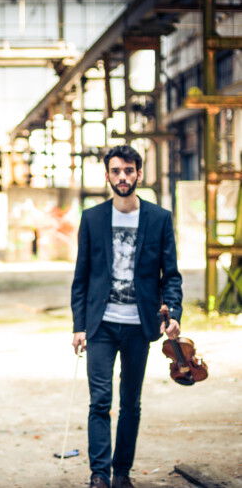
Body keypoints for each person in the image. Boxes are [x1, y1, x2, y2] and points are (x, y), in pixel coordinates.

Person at [71, 145, 182, 488]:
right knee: (100, 401)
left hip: (139, 325)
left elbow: (171, 275)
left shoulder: (159, 218)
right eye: (116, 171)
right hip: (101, 325)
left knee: (131, 403)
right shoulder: (92, 218)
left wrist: (174, 312)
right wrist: (78, 326)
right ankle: (99, 474)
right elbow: (82, 276)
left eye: (129, 170)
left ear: (139, 174)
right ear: (107, 175)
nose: (123, 177)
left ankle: (121, 473)